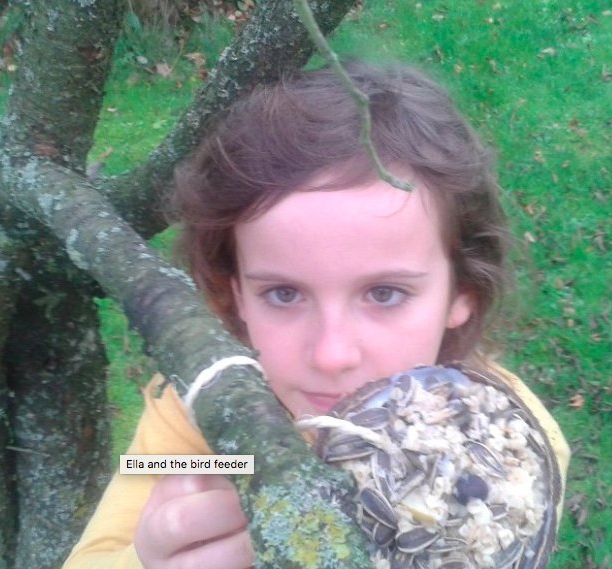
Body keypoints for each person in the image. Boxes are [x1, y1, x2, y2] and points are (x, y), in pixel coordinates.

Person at [63, 61, 570, 569]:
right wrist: (150, 556)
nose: (331, 355)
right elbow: (126, 502)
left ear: (462, 292)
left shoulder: (510, 445)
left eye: (385, 294)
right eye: (284, 294)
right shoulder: (200, 417)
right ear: (236, 293)